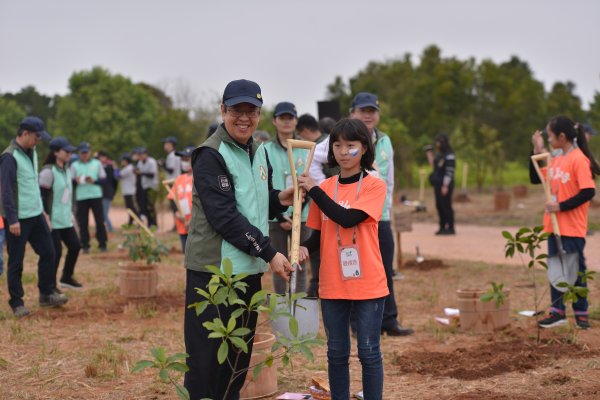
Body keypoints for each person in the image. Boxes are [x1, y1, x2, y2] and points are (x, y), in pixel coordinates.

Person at [183, 79, 295, 400]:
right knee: (207, 365)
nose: (244, 118)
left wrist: (281, 198)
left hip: (246, 271)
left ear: (260, 114)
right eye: (236, 110)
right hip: (214, 274)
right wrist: (271, 252)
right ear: (223, 110)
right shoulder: (209, 155)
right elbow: (225, 217)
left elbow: (257, 202)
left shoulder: (259, 151)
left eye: (252, 111)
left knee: (236, 362)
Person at [298, 118, 389, 400]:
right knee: (336, 352)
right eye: (336, 145)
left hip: (368, 283)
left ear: (364, 148)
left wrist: (313, 189)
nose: (342, 151)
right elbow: (317, 236)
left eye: (350, 145)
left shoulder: (374, 186)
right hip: (333, 283)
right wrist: (300, 248)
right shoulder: (325, 187)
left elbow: (347, 219)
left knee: (368, 351)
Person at [531, 116, 599, 330]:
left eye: (550, 136)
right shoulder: (556, 158)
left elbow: (588, 191)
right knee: (556, 270)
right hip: (554, 226)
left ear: (562, 136)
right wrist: (536, 149)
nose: (549, 140)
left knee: (576, 271)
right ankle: (557, 312)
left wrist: (561, 206)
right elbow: (537, 178)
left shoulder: (578, 159)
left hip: (572, 227)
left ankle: (581, 314)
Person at [0, 116, 68, 317]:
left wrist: (43, 212)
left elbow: (31, 184)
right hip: (18, 219)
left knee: (49, 252)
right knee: (16, 261)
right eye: (36, 137)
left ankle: (46, 294)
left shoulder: (33, 151)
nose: (38, 141)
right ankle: (17, 302)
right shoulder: (9, 157)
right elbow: (6, 191)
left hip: (36, 214)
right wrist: (12, 219)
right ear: (25, 133)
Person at [264, 101, 309, 294]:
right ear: (274, 121)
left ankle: (299, 300)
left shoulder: (306, 148)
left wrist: (298, 209)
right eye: (282, 118)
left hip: (303, 215)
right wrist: (281, 215)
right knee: (279, 261)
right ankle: (282, 304)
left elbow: (309, 182)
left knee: (300, 260)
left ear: (296, 120)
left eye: (290, 118)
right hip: (276, 217)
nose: (286, 122)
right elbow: (265, 184)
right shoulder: (265, 149)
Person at [39, 137, 83, 289]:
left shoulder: (67, 169)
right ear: (56, 152)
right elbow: (42, 196)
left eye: (71, 151)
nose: (70, 153)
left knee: (75, 246)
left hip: (65, 219)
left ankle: (66, 277)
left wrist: (71, 215)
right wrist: (45, 216)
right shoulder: (48, 172)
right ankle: (50, 286)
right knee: (55, 253)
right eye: (67, 151)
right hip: (52, 220)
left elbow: (67, 195)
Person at [296, 113, 329, 298]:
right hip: (320, 203)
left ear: (306, 131)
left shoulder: (321, 148)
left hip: (326, 203)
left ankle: (317, 286)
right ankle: (317, 285)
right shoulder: (325, 144)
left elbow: (320, 181)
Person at [71, 142, 108, 253]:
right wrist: (76, 180)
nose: (85, 155)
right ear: (79, 153)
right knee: (83, 222)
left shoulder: (97, 163)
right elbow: (70, 180)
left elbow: (104, 179)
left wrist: (94, 181)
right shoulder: (74, 165)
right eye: (82, 153)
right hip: (82, 196)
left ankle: (102, 243)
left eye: (86, 152)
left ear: (90, 152)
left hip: (95, 195)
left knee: (100, 221)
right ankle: (85, 245)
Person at [425, 134, 456, 235]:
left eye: (439, 142)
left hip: (445, 185)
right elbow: (433, 164)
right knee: (439, 205)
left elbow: (449, 171)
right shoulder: (440, 155)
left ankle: (450, 227)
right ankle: (442, 226)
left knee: (446, 206)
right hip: (438, 185)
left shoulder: (450, 155)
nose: (437, 144)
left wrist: (445, 185)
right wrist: (429, 153)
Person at [167, 145, 194, 252]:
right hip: (182, 224)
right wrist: (177, 214)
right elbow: (172, 199)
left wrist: (192, 220)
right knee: (186, 255)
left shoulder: (200, 178)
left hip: (196, 225)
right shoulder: (179, 179)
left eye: (186, 159)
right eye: (182, 159)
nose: (184, 162)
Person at [136, 148, 159, 227]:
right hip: (144, 186)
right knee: (144, 206)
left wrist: (141, 173)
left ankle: (154, 224)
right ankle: (149, 223)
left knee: (150, 206)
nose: (140, 156)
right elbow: (138, 171)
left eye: (141, 154)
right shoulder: (139, 162)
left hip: (152, 186)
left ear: (146, 154)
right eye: (139, 155)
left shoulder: (152, 161)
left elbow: (152, 175)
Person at [98, 151, 118, 233]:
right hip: (101, 193)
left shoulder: (109, 167)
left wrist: (113, 193)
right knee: (102, 212)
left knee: (104, 212)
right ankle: (105, 228)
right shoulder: (99, 167)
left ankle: (110, 228)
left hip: (107, 192)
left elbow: (115, 181)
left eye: (103, 157)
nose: (101, 159)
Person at [118, 153, 139, 225]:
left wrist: (114, 168)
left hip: (129, 191)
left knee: (132, 208)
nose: (121, 162)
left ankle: (140, 221)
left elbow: (117, 175)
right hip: (128, 191)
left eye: (122, 160)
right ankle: (131, 222)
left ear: (126, 161)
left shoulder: (128, 168)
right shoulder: (129, 168)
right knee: (130, 208)